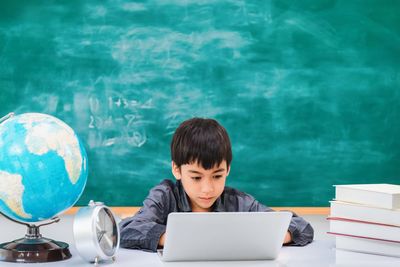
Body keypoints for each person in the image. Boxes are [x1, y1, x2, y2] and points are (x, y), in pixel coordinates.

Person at [119, 118, 314, 252]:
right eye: (196, 177)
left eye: (217, 176)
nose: (207, 189)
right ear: (177, 170)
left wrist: (274, 236)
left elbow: (302, 227)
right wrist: (175, 239)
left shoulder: (238, 202)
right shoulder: (164, 196)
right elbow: (126, 229)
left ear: (227, 169)